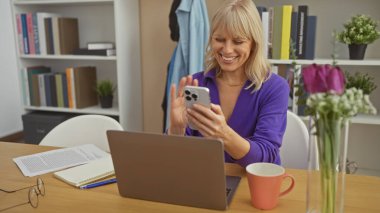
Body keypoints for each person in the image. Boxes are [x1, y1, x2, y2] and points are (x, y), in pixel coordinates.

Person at [168, 0, 289, 168]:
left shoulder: (275, 88)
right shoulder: (197, 83)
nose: (227, 50)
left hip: (253, 184)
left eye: (238, 41)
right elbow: (176, 159)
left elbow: (266, 157)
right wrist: (176, 129)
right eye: (220, 39)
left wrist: (224, 135)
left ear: (253, 43)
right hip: (206, 181)